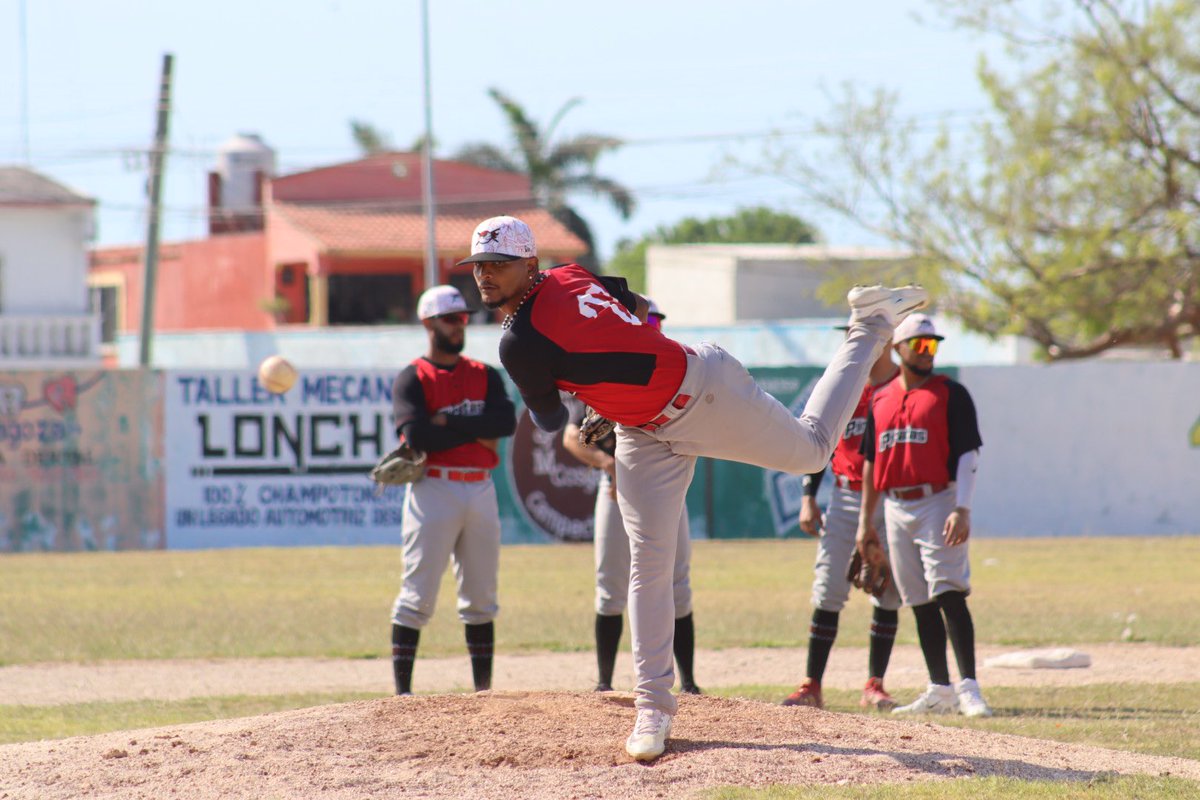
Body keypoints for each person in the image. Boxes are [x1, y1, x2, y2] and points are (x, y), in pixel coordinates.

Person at [462, 214, 927, 761]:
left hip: (701, 394)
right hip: (644, 430)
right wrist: (612, 396)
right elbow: (635, 308)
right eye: (478, 265)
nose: (486, 274)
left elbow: (544, 419)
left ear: (529, 265)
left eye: (498, 263)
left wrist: (595, 390)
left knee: (812, 449)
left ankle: (869, 326)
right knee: (649, 564)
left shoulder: (517, 341)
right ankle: (653, 707)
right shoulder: (569, 274)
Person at [561, 299, 700, 697]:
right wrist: (609, 465)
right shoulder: (604, 376)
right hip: (616, 492)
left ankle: (688, 683)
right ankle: (604, 682)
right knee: (610, 586)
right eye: (648, 319)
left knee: (678, 584)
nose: (653, 326)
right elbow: (572, 435)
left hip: (668, 494)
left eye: (658, 320)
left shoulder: (679, 373)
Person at [857, 313, 992, 718]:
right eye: (919, 344)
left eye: (933, 345)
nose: (927, 351)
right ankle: (940, 689)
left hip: (938, 501)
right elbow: (870, 463)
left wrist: (962, 508)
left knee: (948, 590)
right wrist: (867, 523)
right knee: (917, 599)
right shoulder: (879, 399)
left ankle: (969, 687)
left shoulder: (950, 393)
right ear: (898, 349)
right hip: (895, 506)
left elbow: (969, 453)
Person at [388, 285, 517, 696]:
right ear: (429, 324)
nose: (460, 325)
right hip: (434, 489)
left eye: (463, 318)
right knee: (417, 596)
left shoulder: (485, 375)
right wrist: (469, 432)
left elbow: (504, 425)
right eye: (451, 318)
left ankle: (483, 693)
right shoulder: (412, 378)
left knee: (481, 597)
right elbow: (417, 435)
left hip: (479, 490)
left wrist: (446, 423)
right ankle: (402, 696)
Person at [782, 324, 903, 711]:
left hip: (892, 499)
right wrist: (808, 497)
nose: (856, 342)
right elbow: (818, 440)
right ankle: (811, 684)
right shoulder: (840, 386)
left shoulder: (904, 384)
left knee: (888, 590)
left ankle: (875, 684)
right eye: (851, 334)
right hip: (846, 497)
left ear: (886, 341)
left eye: (864, 335)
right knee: (828, 587)